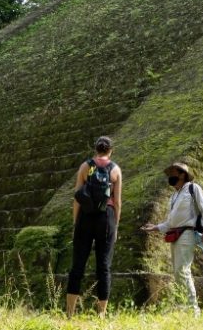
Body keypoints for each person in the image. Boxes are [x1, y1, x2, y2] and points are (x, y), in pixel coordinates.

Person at [140, 162, 203, 315]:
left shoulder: (193, 189)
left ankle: (193, 310)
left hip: (187, 234)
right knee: (177, 272)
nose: (170, 177)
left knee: (183, 270)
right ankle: (183, 306)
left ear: (182, 174)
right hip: (175, 234)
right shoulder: (174, 196)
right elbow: (171, 222)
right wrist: (155, 227)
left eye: (173, 173)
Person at [66, 136, 122, 317]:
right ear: (110, 150)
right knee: (103, 266)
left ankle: (69, 313)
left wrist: (76, 222)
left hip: (86, 217)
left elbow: (77, 198)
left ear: (95, 149)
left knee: (78, 265)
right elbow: (118, 201)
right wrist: (116, 224)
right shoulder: (115, 170)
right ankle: (101, 314)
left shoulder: (85, 166)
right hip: (107, 218)